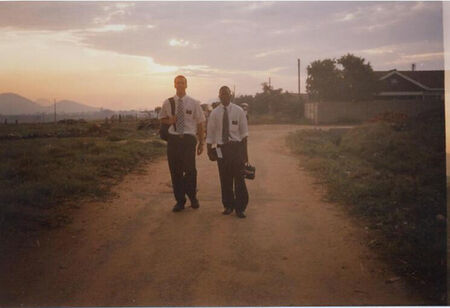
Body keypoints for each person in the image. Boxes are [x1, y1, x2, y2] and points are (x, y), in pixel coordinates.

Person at [159, 75, 206, 212]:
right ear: (174, 85)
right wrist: (170, 121)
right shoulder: (168, 102)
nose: (180, 85)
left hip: (188, 139)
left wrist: (201, 143)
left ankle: (193, 197)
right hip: (173, 139)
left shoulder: (193, 103)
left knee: (190, 171)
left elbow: (200, 123)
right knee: (175, 172)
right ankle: (180, 201)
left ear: (186, 85)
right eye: (178, 83)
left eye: (182, 83)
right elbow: (162, 119)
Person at [206, 86, 249, 218]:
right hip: (220, 149)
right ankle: (228, 205)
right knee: (224, 178)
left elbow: (244, 134)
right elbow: (210, 133)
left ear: (230, 95)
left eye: (227, 94)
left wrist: (245, 154)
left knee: (239, 179)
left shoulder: (239, 111)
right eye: (222, 94)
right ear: (219, 96)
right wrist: (209, 150)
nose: (224, 96)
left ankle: (240, 208)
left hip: (236, 148)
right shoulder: (214, 113)